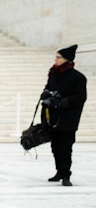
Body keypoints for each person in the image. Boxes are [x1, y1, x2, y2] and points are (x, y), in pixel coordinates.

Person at [41, 44, 87, 186]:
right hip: (53, 117)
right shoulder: (53, 73)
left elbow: (80, 97)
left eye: (58, 57)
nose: (56, 60)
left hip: (68, 119)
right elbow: (48, 88)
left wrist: (63, 102)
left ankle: (66, 174)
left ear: (67, 59)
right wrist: (46, 95)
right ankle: (59, 171)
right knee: (55, 146)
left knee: (66, 147)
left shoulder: (78, 77)